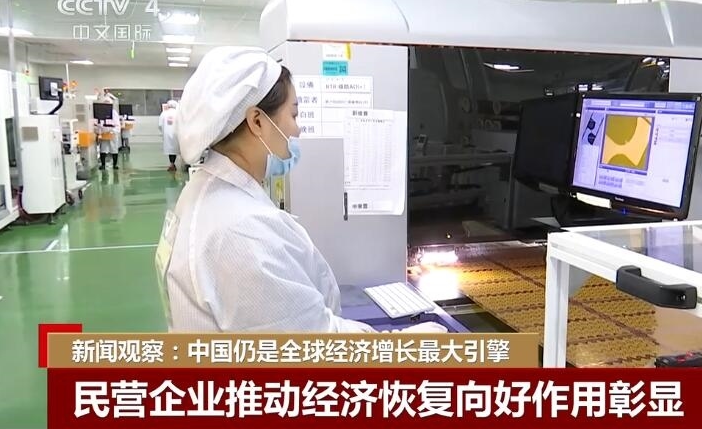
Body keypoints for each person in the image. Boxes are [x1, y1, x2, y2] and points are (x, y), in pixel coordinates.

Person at [157, 46, 446, 334]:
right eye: (293, 115)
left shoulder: (207, 193)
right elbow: (309, 343)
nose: (297, 130)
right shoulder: (242, 231)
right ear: (257, 121)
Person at [95, 88, 120, 170]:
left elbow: (117, 125)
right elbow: (98, 123)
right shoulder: (100, 113)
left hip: (112, 133)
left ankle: (115, 165)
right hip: (104, 133)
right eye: (105, 103)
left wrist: (113, 131)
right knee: (103, 148)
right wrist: (99, 130)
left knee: (114, 149)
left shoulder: (114, 113)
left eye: (108, 103)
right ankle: (103, 165)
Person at [158, 100, 181, 172]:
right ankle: (186, 164)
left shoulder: (164, 113)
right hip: (178, 133)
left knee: (171, 150)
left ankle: (172, 163)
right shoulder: (178, 113)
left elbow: (160, 125)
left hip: (167, 133)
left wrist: (163, 131)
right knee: (180, 148)